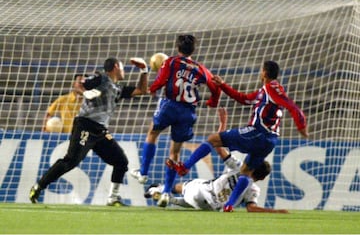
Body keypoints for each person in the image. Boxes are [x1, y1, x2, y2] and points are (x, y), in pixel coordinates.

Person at [172, 60, 309, 212]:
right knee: (245, 172)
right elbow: (243, 99)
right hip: (270, 141)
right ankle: (229, 205)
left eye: (261, 70)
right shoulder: (264, 91)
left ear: (264, 72)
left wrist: (301, 125)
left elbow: (292, 106)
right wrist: (223, 85)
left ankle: (185, 167)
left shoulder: (272, 88)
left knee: (213, 139)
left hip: (258, 133)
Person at [29, 57, 149, 206]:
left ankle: (113, 197)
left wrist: (144, 70)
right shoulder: (101, 78)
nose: (124, 71)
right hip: (85, 125)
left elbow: (142, 90)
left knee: (121, 161)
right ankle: (38, 186)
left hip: (100, 130)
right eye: (123, 68)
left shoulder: (118, 88)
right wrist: (85, 92)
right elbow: (79, 83)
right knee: (71, 161)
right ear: (116, 66)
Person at [130, 34, 221, 207]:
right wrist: (212, 101)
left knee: (152, 133)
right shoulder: (200, 69)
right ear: (193, 50)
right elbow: (214, 87)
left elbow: (162, 79)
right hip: (187, 112)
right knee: (175, 152)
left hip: (169, 105)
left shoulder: (171, 62)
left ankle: (143, 172)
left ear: (177, 48)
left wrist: (154, 88)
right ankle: (165, 193)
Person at [144, 159, 288, 213]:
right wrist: (276, 212)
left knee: (187, 186)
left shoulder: (238, 166)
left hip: (200, 190)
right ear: (262, 178)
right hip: (209, 207)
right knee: (195, 202)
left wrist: (223, 124)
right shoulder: (254, 189)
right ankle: (170, 199)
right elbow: (251, 208)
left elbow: (220, 149)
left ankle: (160, 189)